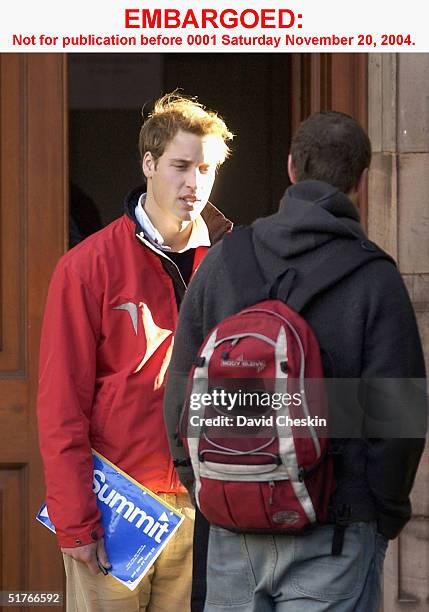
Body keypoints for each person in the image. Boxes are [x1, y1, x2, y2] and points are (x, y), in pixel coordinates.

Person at [164, 111, 427, 611]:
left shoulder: (223, 260)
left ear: (291, 168)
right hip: (336, 530)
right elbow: (398, 418)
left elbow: (180, 392)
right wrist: (379, 514)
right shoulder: (375, 278)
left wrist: (207, 487)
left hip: (231, 527)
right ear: (362, 182)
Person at [37, 92, 233, 612]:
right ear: (148, 163)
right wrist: (74, 521)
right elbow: (61, 404)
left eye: (208, 168)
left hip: (206, 507)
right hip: (117, 507)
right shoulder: (88, 266)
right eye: (181, 165)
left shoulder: (233, 264)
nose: (195, 183)